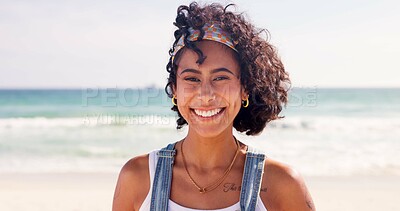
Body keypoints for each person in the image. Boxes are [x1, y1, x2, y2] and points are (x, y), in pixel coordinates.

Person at [113, 2, 315, 211]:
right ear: (174, 89)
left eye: (220, 77)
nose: (206, 95)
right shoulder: (138, 178)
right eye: (192, 78)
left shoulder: (281, 185)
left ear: (244, 88)